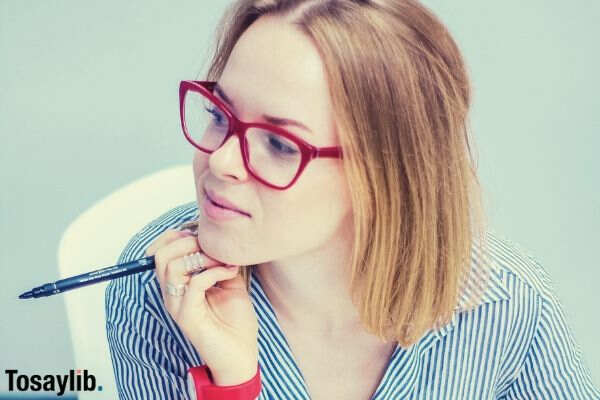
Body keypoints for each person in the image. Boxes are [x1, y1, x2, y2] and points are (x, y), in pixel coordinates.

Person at [105, 0, 600, 399]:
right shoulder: (161, 292)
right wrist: (232, 386)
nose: (219, 161)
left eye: (279, 144)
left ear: (385, 174)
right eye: (220, 115)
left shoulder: (504, 303)